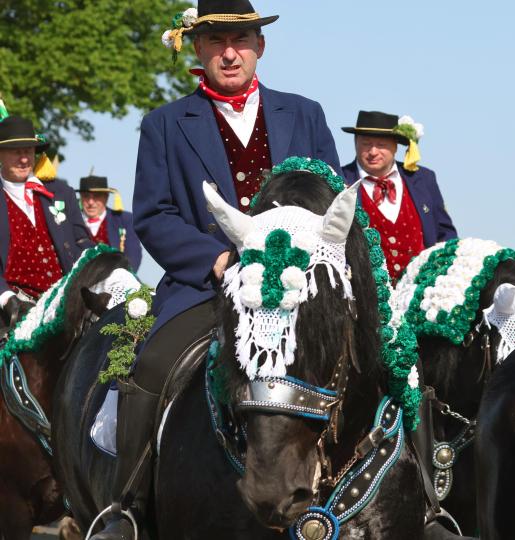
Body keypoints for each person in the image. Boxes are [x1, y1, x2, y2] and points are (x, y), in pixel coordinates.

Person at [89, 0, 341, 537]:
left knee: (374, 359)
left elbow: (332, 202)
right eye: (216, 43)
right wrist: (219, 259)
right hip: (207, 286)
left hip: (297, 290)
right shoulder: (163, 124)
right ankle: (128, 504)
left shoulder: (307, 114)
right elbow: (153, 215)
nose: (230, 53)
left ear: (260, 47)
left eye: (241, 41)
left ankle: (412, 498)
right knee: (151, 364)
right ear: (198, 50)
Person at [341, 111, 456, 281]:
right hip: (363, 294)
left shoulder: (424, 179)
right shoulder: (340, 180)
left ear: (395, 146)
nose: (373, 151)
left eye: (381, 144)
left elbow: (445, 235)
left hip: (420, 291)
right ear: (355, 143)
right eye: (366, 144)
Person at [0, 115, 93, 327]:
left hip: (66, 304)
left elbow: (83, 242)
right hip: (10, 309)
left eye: (28, 151)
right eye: (16, 152)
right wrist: (5, 297)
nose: (24, 159)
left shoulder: (61, 193)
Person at [77, 174, 142, 271]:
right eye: (86, 196)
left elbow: (134, 255)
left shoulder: (125, 220)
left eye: (96, 196)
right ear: (81, 198)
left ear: (106, 197)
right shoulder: (73, 222)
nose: (90, 202)